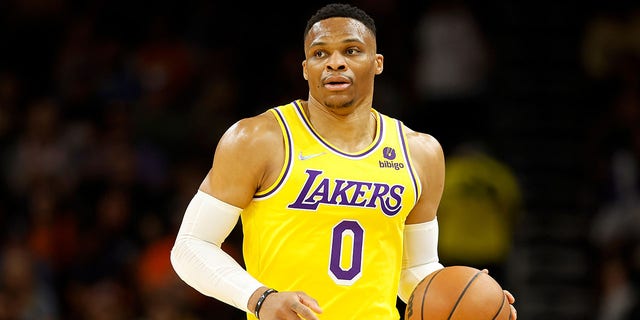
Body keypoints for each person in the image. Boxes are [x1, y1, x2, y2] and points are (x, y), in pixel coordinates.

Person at [170, 3, 517, 320]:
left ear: (377, 62)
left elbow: (416, 269)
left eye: (351, 50)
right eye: (321, 53)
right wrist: (260, 298)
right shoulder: (257, 139)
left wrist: (472, 297)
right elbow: (190, 246)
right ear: (306, 69)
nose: (335, 62)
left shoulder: (420, 152)